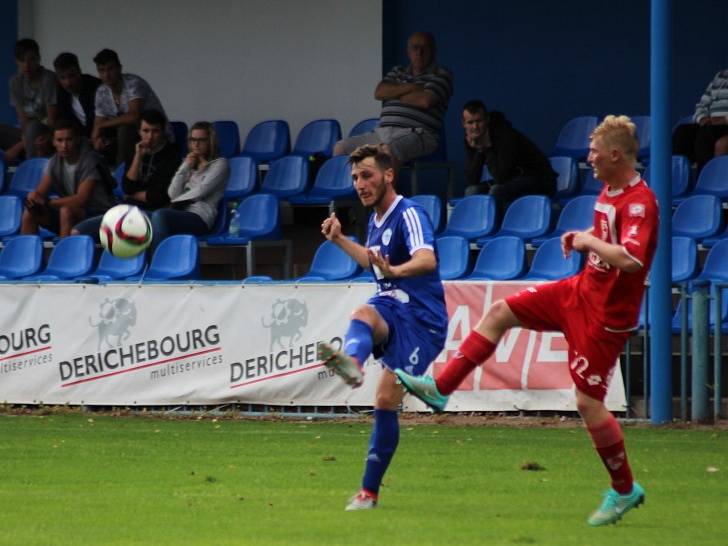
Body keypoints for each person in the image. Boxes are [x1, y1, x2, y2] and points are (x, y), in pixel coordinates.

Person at [396, 116, 656, 527]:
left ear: (616, 155)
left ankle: (625, 490)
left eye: (594, 152)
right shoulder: (610, 189)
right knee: (500, 312)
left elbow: (631, 258)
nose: (588, 158)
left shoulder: (641, 202)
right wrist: (585, 234)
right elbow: (610, 235)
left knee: (588, 403)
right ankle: (440, 388)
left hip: (606, 318)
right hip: (578, 292)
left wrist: (588, 241)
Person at [317, 144, 448, 511]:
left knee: (385, 401)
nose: (360, 184)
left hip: (423, 320)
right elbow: (374, 264)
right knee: (364, 312)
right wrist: (341, 240)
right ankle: (353, 364)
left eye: (367, 175)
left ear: (388, 175)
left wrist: (394, 272)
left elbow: (426, 260)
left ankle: (369, 491)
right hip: (393, 308)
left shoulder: (408, 213)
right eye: (356, 177)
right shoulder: (374, 222)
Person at [332, 32, 453, 167]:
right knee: (341, 147)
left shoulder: (441, 75)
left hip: (418, 133)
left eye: (425, 48)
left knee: (388, 150)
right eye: (415, 47)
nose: (419, 52)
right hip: (382, 132)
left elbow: (425, 101)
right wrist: (412, 87)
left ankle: (385, 189)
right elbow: (379, 92)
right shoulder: (398, 72)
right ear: (408, 51)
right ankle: (354, 188)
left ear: (433, 51)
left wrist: (394, 93)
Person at [72, 109, 181, 239]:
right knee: (79, 231)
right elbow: (128, 187)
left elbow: (158, 197)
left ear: (162, 132)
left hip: (151, 214)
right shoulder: (135, 151)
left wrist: (132, 194)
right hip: (127, 210)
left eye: (155, 131)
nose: (150, 137)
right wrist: (138, 157)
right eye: (146, 131)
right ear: (139, 132)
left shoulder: (172, 157)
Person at [22, 119, 117, 238]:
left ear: (77, 139)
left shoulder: (90, 160)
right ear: (53, 142)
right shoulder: (54, 162)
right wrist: (34, 197)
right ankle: (26, 254)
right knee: (30, 212)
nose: (64, 145)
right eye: (60, 140)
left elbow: (81, 199)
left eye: (69, 140)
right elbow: (40, 192)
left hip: (100, 215)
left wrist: (48, 202)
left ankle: (65, 254)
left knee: (66, 211)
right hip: (75, 215)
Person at [462, 99, 556, 217]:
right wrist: (480, 151)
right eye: (470, 122)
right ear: (464, 124)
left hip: (539, 179)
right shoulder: (472, 140)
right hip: (514, 179)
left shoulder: (506, 136)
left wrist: (486, 148)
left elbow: (501, 177)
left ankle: (492, 230)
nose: (475, 127)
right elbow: (472, 180)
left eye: (479, 121)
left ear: (487, 120)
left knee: (497, 190)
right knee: (472, 191)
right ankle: (475, 230)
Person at [149, 121, 228, 248]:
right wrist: (185, 167)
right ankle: (136, 265)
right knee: (139, 218)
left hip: (200, 217)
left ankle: (159, 262)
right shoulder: (188, 164)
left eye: (201, 140)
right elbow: (172, 193)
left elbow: (201, 192)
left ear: (210, 142)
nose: (196, 144)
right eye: (192, 140)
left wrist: (176, 201)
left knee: (160, 216)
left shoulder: (219, 164)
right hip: (178, 212)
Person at [91, 48, 170, 168]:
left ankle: (120, 175)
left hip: (156, 134)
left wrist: (101, 125)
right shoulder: (101, 91)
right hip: (129, 140)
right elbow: (98, 122)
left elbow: (133, 116)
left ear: (119, 68)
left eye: (110, 69)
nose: (106, 74)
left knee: (125, 128)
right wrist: (96, 138)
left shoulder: (133, 83)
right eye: (102, 70)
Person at [0, 39, 57, 163]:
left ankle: (30, 169)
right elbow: (22, 119)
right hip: (27, 134)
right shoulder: (15, 82)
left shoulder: (48, 79)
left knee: (33, 129)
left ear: (38, 58)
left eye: (31, 59)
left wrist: (18, 146)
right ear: (16, 61)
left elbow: (52, 121)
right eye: (22, 60)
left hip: (47, 133)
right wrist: (23, 142)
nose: (26, 65)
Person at [673, 68, 728, 172]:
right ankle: (677, 180)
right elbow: (702, 105)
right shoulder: (720, 75)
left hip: (724, 125)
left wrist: (725, 119)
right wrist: (702, 118)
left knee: (706, 136)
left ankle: (705, 179)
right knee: (682, 132)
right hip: (710, 124)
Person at [53, 52, 102, 139]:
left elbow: (96, 120)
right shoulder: (61, 92)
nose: (68, 83)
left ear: (79, 71)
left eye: (71, 76)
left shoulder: (95, 87)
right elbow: (64, 120)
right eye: (62, 78)